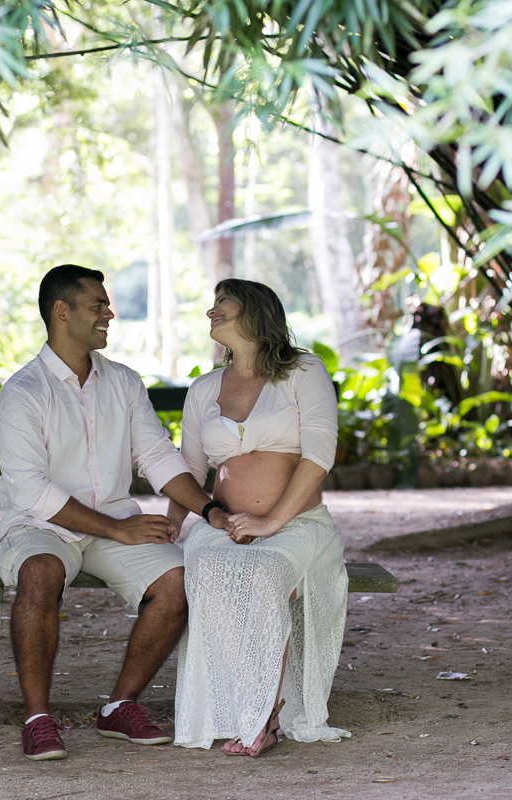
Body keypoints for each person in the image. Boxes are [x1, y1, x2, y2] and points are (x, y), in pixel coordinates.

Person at [0, 264, 231, 761]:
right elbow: (32, 491)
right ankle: (38, 719)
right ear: (62, 312)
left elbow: (158, 456)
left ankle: (120, 706)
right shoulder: (22, 392)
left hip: (112, 524)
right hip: (41, 526)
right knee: (39, 572)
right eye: (97, 305)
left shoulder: (123, 382)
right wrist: (116, 529)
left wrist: (208, 509)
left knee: (179, 579)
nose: (109, 313)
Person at [169, 278, 350, 756]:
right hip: (223, 526)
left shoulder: (303, 371)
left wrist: (271, 524)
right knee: (208, 570)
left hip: (296, 526)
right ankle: (247, 709)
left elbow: (319, 455)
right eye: (211, 304)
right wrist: (176, 523)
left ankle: (264, 717)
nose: (212, 312)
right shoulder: (203, 389)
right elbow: (187, 469)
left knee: (263, 572)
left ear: (255, 311)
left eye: (222, 303)